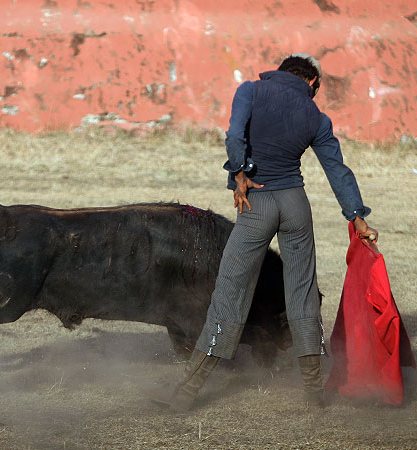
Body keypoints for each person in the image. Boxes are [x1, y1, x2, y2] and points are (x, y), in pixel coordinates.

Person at [150, 53, 378, 411]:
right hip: (295, 205)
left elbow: (234, 135)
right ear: (311, 82)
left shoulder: (251, 91)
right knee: (302, 293)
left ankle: (186, 392)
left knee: (229, 293)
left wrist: (239, 173)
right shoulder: (316, 116)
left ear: (282, 72)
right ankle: (314, 391)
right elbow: (337, 169)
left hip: (257, 202)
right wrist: (357, 217)